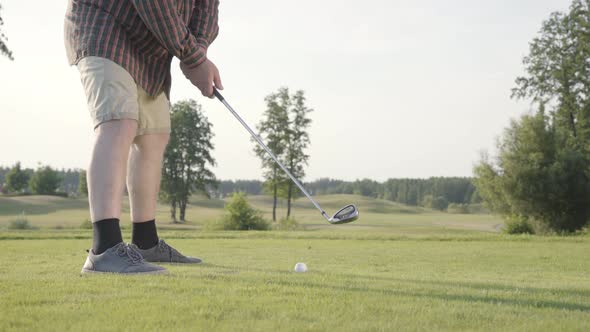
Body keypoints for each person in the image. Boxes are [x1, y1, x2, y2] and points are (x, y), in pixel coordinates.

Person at [64, 0, 222, 274]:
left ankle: (145, 242)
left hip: (152, 47)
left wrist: (200, 50)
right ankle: (105, 249)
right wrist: (193, 58)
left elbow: (207, 7)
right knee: (119, 123)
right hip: (105, 24)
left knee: (154, 135)